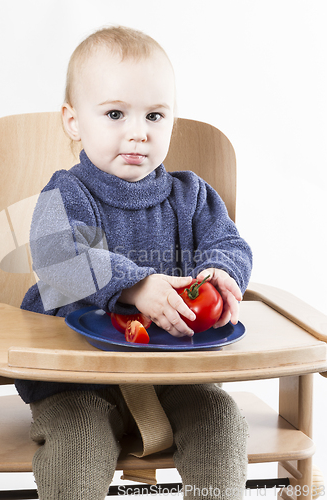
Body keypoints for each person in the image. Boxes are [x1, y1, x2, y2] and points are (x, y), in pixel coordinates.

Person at [17, 25, 252, 499]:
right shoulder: (66, 193)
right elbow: (57, 257)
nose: (138, 132)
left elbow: (228, 242)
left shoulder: (191, 196)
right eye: (116, 113)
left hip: (172, 374)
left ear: (172, 121)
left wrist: (221, 274)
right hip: (76, 378)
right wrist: (134, 284)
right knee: (79, 441)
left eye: (155, 115)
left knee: (221, 420)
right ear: (73, 121)